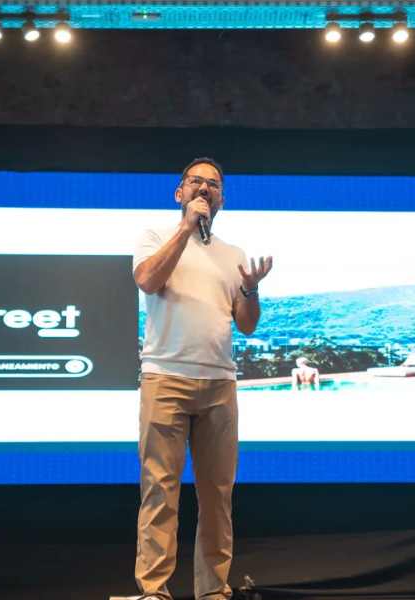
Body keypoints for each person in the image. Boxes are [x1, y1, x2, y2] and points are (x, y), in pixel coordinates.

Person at [130, 158, 273, 600]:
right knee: (160, 491)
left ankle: (213, 591)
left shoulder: (233, 255)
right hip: (165, 378)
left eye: (213, 184)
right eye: (196, 181)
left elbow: (246, 324)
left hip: (219, 384)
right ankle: (154, 590)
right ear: (180, 193)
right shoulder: (156, 237)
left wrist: (251, 289)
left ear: (222, 198)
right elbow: (148, 280)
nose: (205, 188)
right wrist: (186, 228)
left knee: (217, 495)